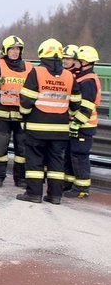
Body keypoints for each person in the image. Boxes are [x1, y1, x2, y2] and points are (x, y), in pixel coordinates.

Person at [16, 38, 81, 204]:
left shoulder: (36, 72)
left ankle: (34, 194)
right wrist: (70, 114)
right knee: (57, 164)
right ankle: (55, 196)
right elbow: (75, 102)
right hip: (60, 128)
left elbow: (26, 100)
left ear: (42, 53)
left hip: (37, 126)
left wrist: (24, 115)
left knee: (35, 162)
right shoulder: (69, 75)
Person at [0, 35, 33, 187]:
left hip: (22, 116)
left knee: (22, 151)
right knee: (0, 149)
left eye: (18, 49)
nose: (15, 52)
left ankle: (20, 179)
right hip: (2, 117)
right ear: (5, 51)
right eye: (12, 49)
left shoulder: (29, 67)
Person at [64, 45, 101, 199]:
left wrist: (76, 124)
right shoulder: (81, 77)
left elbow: (86, 107)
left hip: (83, 126)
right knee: (73, 155)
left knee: (80, 156)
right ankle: (71, 185)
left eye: (78, 60)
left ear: (84, 62)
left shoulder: (88, 81)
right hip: (79, 125)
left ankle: (82, 188)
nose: (75, 62)